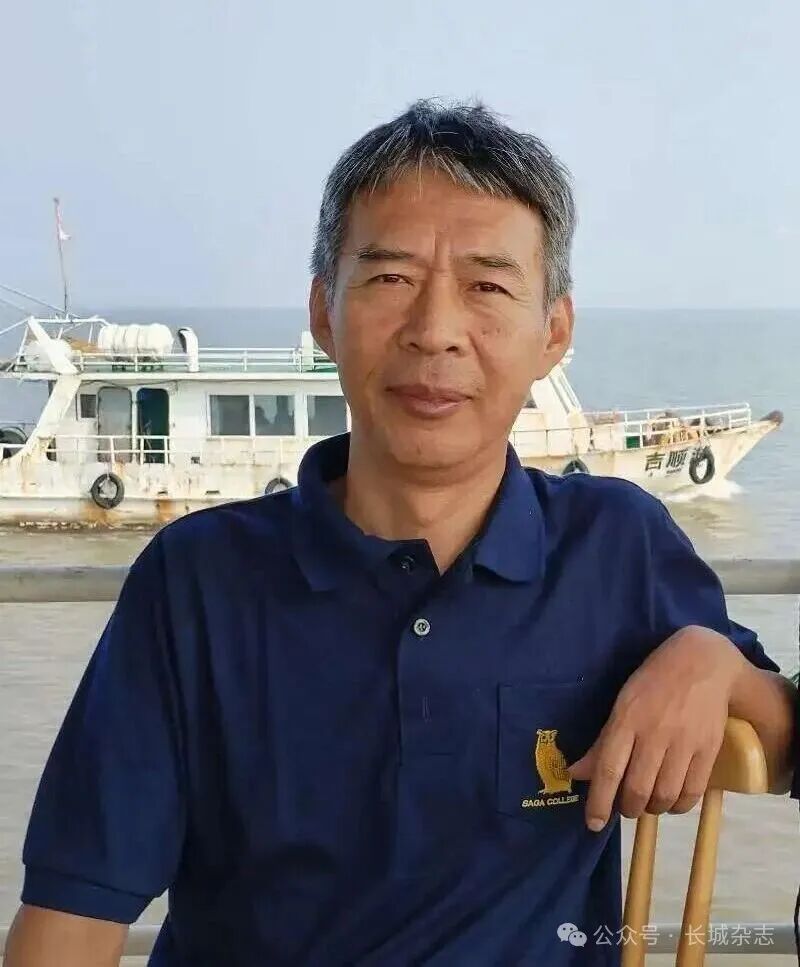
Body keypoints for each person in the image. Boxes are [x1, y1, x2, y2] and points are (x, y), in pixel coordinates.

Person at [6, 100, 797, 967]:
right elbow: (71, 917)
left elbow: (786, 743)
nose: (435, 332)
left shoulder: (615, 547)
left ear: (554, 332)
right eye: (389, 278)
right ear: (324, 311)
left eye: (488, 287)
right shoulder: (198, 580)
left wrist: (713, 662)